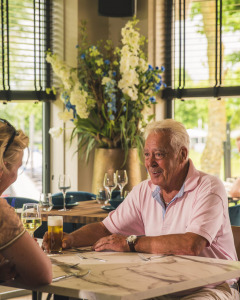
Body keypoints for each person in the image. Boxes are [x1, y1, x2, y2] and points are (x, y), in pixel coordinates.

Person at [43, 119, 238, 299]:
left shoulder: (209, 187)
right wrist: (71, 239)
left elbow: (192, 244)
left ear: (183, 155)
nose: (150, 163)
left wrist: (131, 243)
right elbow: (105, 228)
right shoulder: (144, 190)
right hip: (158, 283)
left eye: (159, 154)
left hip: (210, 288)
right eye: (146, 154)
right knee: (93, 293)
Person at [0, 118, 52, 286]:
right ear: (3, 167)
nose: (16, 175)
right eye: (18, 167)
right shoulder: (2, 213)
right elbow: (42, 274)